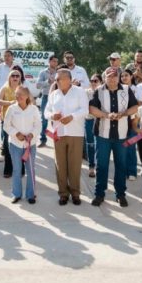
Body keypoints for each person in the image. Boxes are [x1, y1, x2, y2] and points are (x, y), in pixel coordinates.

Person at [89, 67, 138, 207]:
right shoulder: (98, 91)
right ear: (105, 78)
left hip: (122, 135)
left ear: (118, 77)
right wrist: (106, 115)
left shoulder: (127, 90)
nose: (112, 79)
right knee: (101, 165)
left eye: (115, 76)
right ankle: (99, 194)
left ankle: (120, 194)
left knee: (121, 165)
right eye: (109, 76)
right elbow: (92, 109)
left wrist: (124, 113)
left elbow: (135, 107)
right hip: (103, 135)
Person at [45, 68, 89, 205]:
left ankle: (75, 193)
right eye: (56, 79)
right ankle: (63, 193)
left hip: (75, 133)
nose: (57, 81)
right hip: (59, 133)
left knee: (75, 165)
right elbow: (46, 111)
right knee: (60, 165)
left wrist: (72, 117)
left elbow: (85, 110)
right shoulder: (53, 94)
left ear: (69, 79)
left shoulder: (80, 92)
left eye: (60, 79)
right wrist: (52, 116)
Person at [4, 85, 42, 204]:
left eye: (21, 94)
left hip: (30, 145)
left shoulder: (34, 109)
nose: (18, 96)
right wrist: (16, 134)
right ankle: (16, 194)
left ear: (27, 96)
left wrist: (32, 134)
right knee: (16, 169)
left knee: (31, 170)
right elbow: (6, 126)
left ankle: (31, 195)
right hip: (15, 144)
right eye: (16, 94)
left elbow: (38, 125)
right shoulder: (12, 109)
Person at [0, 69, 25, 178]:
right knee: (7, 146)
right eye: (12, 75)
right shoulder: (4, 88)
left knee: (21, 146)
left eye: (17, 75)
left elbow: (30, 101)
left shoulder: (23, 89)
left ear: (20, 78)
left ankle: (21, 169)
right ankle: (8, 170)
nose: (15, 77)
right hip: (7, 121)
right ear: (9, 77)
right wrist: (9, 103)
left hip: (21, 122)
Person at [36, 55, 59, 147]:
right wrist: (47, 82)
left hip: (57, 97)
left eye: (56, 61)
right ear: (49, 62)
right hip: (46, 97)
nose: (55, 63)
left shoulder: (59, 72)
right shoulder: (43, 72)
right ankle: (43, 140)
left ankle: (56, 139)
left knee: (56, 119)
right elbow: (37, 85)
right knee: (44, 119)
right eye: (53, 61)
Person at [83, 74, 102, 178]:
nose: (93, 83)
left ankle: (99, 166)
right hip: (89, 120)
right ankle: (91, 167)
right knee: (90, 144)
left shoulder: (104, 92)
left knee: (100, 144)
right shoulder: (86, 92)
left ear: (100, 82)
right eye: (92, 80)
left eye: (96, 80)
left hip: (101, 120)